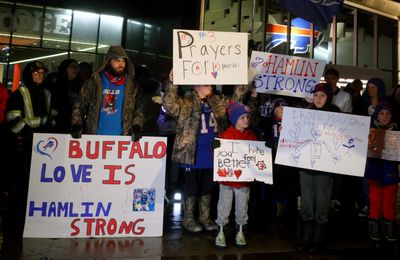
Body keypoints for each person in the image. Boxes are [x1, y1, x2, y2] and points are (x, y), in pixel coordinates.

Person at [163, 70, 252, 233]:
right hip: (192, 154)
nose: (209, 85)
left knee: (208, 187)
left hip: (214, 154)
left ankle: (204, 217)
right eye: (205, 84)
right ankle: (189, 219)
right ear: (196, 86)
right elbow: (169, 106)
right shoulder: (186, 101)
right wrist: (172, 83)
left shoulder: (217, 100)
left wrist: (242, 82)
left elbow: (236, 102)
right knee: (191, 187)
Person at [4, 61, 53, 236]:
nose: (40, 75)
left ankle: (28, 221)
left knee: (35, 186)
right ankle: (13, 225)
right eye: (36, 73)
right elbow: (12, 119)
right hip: (23, 147)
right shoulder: (20, 94)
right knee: (19, 186)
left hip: (43, 147)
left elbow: (51, 116)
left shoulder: (46, 93)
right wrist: (27, 133)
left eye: (42, 72)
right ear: (29, 75)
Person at [297, 83, 340, 254]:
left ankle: (318, 240)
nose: (318, 99)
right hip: (306, 167)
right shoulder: (305, 113)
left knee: (322, 205)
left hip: (325, 170)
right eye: (316, 95)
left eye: (322, 96)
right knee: (307, 204)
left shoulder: (336, 114)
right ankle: (306, 238)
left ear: (328, 97)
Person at [71, 46, 145, 139]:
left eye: (123, 61)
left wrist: (137, 125)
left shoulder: (133, 86)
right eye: (117, 60)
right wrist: (76, 124)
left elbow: (139, 109)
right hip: (94, 137)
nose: (121, 64)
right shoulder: (94, 82)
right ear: (108, 62)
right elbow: (80, 104)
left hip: (123, 138)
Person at [213, 101, 257, 248]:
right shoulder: (225, 135)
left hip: (243, 182)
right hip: (227, 181)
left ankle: (240, 231)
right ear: (234, 119)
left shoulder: (251, 137)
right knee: (224, 206)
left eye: (247, 117)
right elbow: (219, 159)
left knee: (242, 207)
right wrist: (216, 149)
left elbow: (256, 157)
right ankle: (221, 232)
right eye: (242, 117)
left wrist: (264, 150)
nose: (246, 120)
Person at [365, 101, 399, 243]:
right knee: (375, 201)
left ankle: (389, 227)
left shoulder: (397, 131)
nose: (385, 116)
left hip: (390, 173)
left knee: (389, 202)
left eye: (388, 114)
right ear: (376, 115)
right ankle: (374, 226)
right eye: (382, 113)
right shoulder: (370, 130)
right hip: (374, 172)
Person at [46, 59, 81, 133]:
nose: (76, 70)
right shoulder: (55, 84)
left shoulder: (78, 85)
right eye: (73, 67)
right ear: (65, 68)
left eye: (77, 67)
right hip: (58, 124)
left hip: (73, 124)